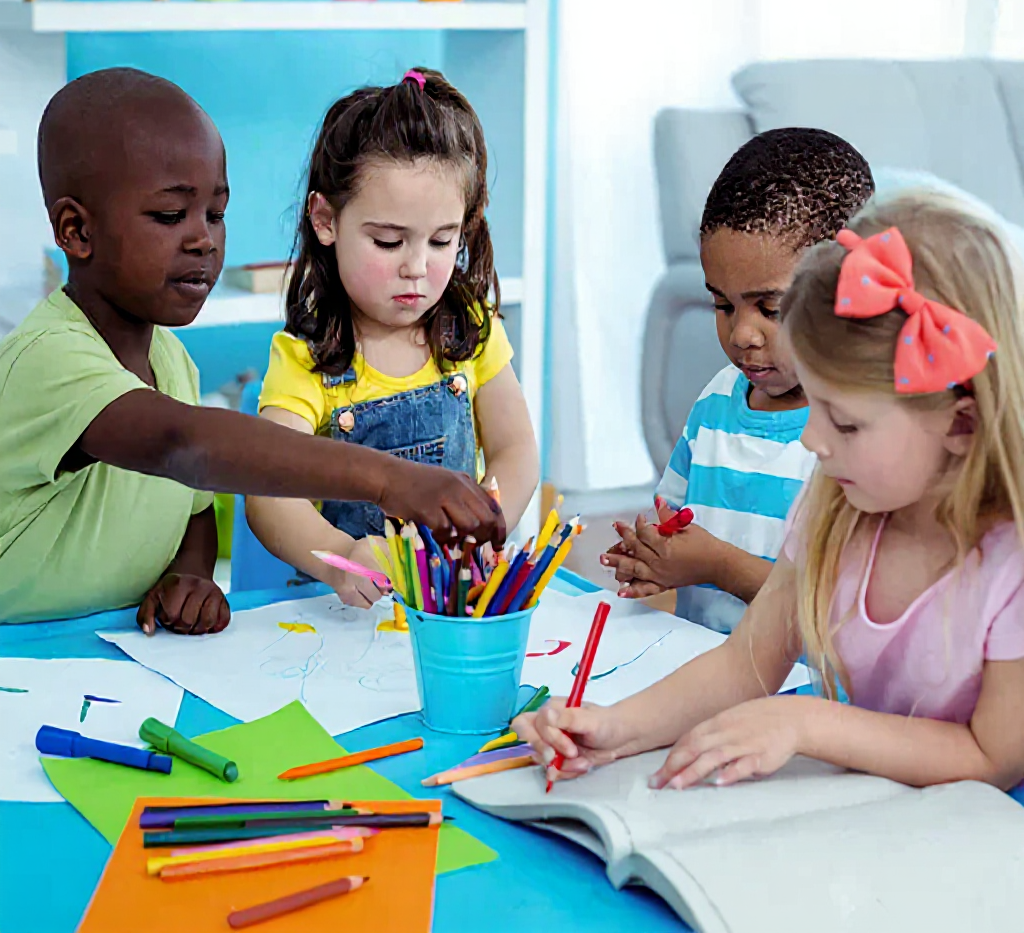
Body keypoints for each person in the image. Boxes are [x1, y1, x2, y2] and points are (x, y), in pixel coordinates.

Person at [518, 191, 1024, 794]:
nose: (812, 439)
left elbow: (992, 757)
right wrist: (612, 727)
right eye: (813, 403)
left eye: (845, 421)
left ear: (961, 424)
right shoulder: (838, 507)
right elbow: (745, 666)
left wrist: (806, 721)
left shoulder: (1010, 562)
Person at [0, 68, 505, 632]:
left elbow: (191, 511)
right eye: (171, 216)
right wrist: (393, 480)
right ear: (76, 231)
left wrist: (190, 577)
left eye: (215, 214)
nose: (203, 239)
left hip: (112, 651)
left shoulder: (170, 361)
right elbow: (183, 445)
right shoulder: (48, 358)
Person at [246, 68, 538, 605]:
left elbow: (516, 449)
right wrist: (341, 557)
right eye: (387, 242)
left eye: (442, 241)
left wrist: (492, 517)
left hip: (453, 604)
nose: (417, 268)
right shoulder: (309, 358)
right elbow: (268, 496)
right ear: (326, 220)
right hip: (350, 617)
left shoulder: (470, 328)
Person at [603, 128, 874, 634]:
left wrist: (717, 566)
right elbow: (676, 518)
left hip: (804, 697)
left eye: (770, 308)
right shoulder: (716, 402)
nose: (742, 334)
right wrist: (655, 553)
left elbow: (837, 605)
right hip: (701, 671)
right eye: (722, 304)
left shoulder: (860, 432)